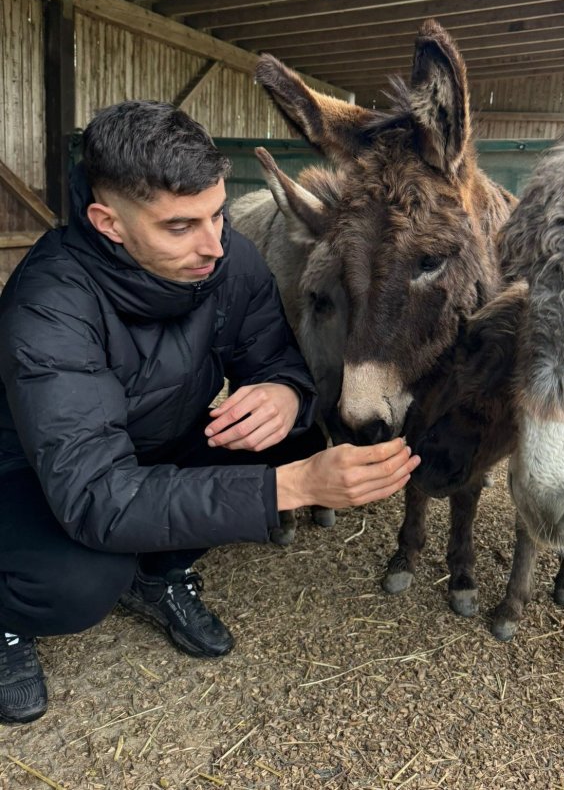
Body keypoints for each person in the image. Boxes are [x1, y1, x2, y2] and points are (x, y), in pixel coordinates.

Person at [0, 101, 419, 725]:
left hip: (153, 443)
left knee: (292, 436)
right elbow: (96, 498)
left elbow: (280, 362)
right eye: (180, 226)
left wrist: (283, 394)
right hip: (40, 477)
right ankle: (8, 622)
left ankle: (158, 574)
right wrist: (293, 488)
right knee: (80, 583)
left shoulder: (228, 259)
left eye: (218, 214)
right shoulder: (49, 308)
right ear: (107, 222)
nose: (214, 244)